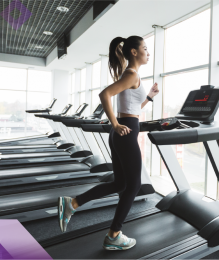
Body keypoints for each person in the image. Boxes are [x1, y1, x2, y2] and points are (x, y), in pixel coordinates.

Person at [58, 35, 159, 251]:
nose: (147, 52)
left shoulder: (131, 76)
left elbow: (131, 109)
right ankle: (114, 234)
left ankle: (73, 203)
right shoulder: (131, 74)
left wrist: (149, 97)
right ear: (134, 52)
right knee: (133, 186)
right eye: (145, 48)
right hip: (125, 133)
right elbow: (105, 94)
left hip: (123, 131)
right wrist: (114, 124)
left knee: (121, 184)